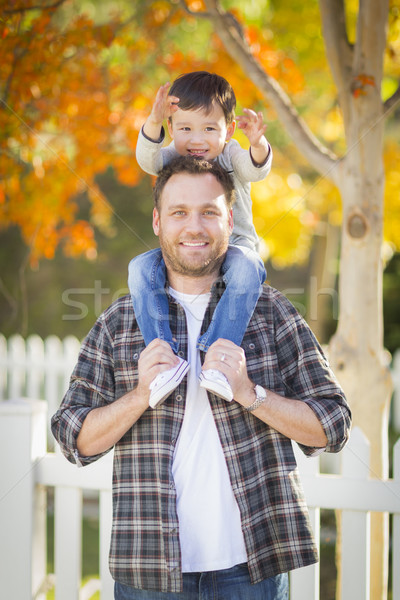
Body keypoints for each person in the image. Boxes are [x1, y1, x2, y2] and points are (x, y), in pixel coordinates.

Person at [52, 156, 352, 600]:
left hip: (253, 572)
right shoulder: (120, 322)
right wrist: (138, 396)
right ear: (157, 221)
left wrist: (251, 394)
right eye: (179, 213)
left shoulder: (271, 313)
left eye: (209, 212)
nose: (194, 226)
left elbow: (334, 427)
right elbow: (71, 438)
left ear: (230, 220)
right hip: (148, 571)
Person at [130, 71, 273, 407]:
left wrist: (257, 144)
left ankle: (219, 360)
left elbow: (256, 169)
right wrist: (153, 121)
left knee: (247, 270)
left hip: (233, 248)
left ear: (229, 130)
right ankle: (163, 359)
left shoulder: (231, 154)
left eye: (210, 129)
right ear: (172, 127)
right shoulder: (171, 156)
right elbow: (146, 159)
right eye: (185, 128)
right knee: (139, 268)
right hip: (187, 249)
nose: (197, 139)